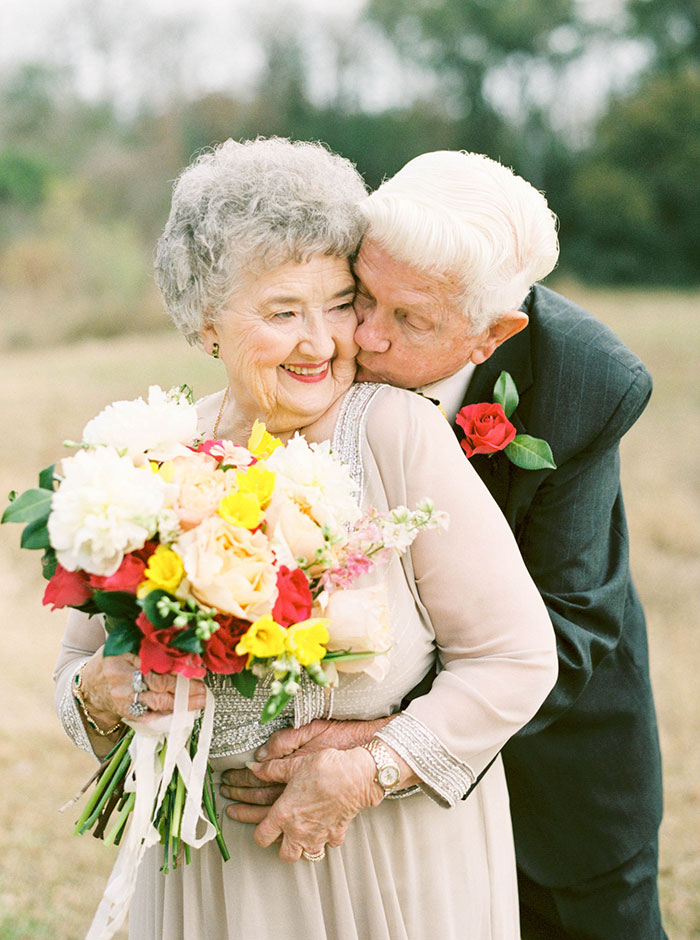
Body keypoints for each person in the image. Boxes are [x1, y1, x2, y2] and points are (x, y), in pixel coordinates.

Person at [53, 138, 558, 940]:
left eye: (339, 302)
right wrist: (98, 694)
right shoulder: (149, 453)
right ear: (206, 321)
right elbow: (78, 666)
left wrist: (368, 770)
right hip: (208, 876)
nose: (323, 341)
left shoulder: (396, 434)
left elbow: (515, 657)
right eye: (284, 312)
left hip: (386, 870)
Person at [229, 151, 666, 940]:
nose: (360, 336)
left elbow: (571, 620)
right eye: (363, 296)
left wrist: (385, 741)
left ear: (491, 334)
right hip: (368, 839)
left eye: (411, 321)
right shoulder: (324, 346)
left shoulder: (588, 382)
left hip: (559, 770)